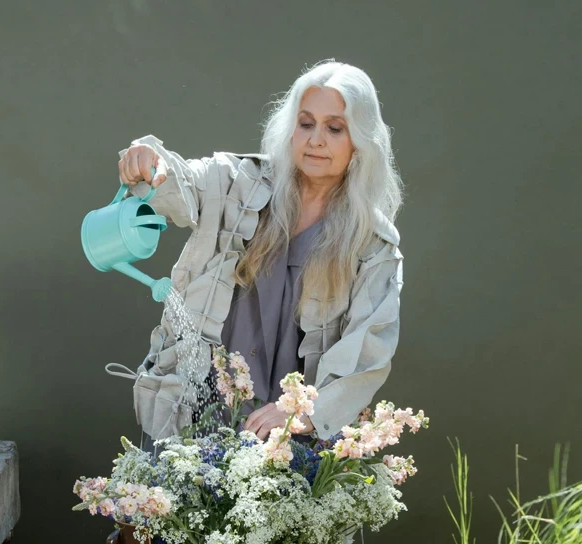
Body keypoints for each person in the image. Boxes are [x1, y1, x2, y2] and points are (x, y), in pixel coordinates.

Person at [108, 60, 404, 456]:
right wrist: (149, 162)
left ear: (360, 141)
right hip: (191, 414)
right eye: (305, 123)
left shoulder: (373, 243)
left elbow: (370, 348)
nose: (316, 139)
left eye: (334, 128)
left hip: (284, 444)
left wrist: (302, 411)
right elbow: (184, 182)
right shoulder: (238, 183)